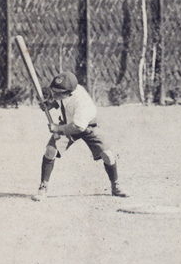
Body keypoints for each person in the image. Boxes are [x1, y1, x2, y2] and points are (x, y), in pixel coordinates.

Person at [32, 72, 129, 201]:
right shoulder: (65, 92)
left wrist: (57, 128)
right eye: (53, 91)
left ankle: (116, 186)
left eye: (58, 93)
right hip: (68, 122)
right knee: (50, 151)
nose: (55, 95)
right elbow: (60, 101)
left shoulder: (81, 101)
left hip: (87, 126)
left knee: (108, 155)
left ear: (70, 93)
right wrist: (50, 105)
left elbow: (78, 127)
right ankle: (43, 187)